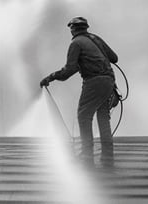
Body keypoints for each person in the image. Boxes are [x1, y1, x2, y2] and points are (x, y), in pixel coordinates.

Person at [40, 16, 118, 168]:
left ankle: (87, 158)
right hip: (109, 82)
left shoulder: (76, 43)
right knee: (103, 118)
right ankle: (108, 158)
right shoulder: (96, 39)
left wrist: (51, 77)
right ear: (86, 27)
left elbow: (70, 69)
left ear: (73, 29)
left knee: (84, 116)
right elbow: (114, 58)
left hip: (94, 82)